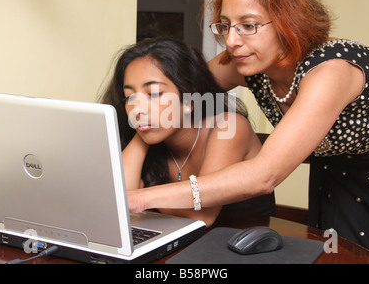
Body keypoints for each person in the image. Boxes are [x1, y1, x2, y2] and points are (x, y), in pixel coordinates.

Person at [127, 0, 369, 263]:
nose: (232, 41)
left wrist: (143, 198)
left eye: (248, 25)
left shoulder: (331, 71)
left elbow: (263, 175)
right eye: (225, 25)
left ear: (289, 22)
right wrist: (145, 118)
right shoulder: (245, 61)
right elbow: (182, 95)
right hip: (336, 169)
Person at [99, 37, 275, 227]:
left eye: (154, 94)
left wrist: (143, 200)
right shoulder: (152, 142)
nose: (137, 108)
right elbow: (119, 209)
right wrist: (142, 137)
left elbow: (201, 217)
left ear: (189, 101)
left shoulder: (229, 127)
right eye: (130, 97)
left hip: (244, 249)